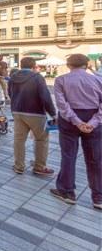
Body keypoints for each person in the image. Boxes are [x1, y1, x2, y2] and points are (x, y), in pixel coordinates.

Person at [50, 54, 102, 210]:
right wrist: (93, 122)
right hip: (93, 118)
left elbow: (62, 105)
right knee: (96, 158)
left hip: (69, 120)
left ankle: (67, 191)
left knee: (68, 155)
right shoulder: (98, 79)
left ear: (69, 65)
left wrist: (77, 122)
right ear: (86, 65)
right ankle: (98, 197)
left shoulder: (61, 80)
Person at [8, 57, 56, 176]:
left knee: (19, 140)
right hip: (35, 112)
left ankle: (19, 166)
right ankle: (39, 167)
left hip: (17, 111)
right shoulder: (37, 77)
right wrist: (53, 113)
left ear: (21, 64)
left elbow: (10, 93)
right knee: (41, 139)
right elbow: (45, 96)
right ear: (34, 66)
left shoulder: (13, 77)